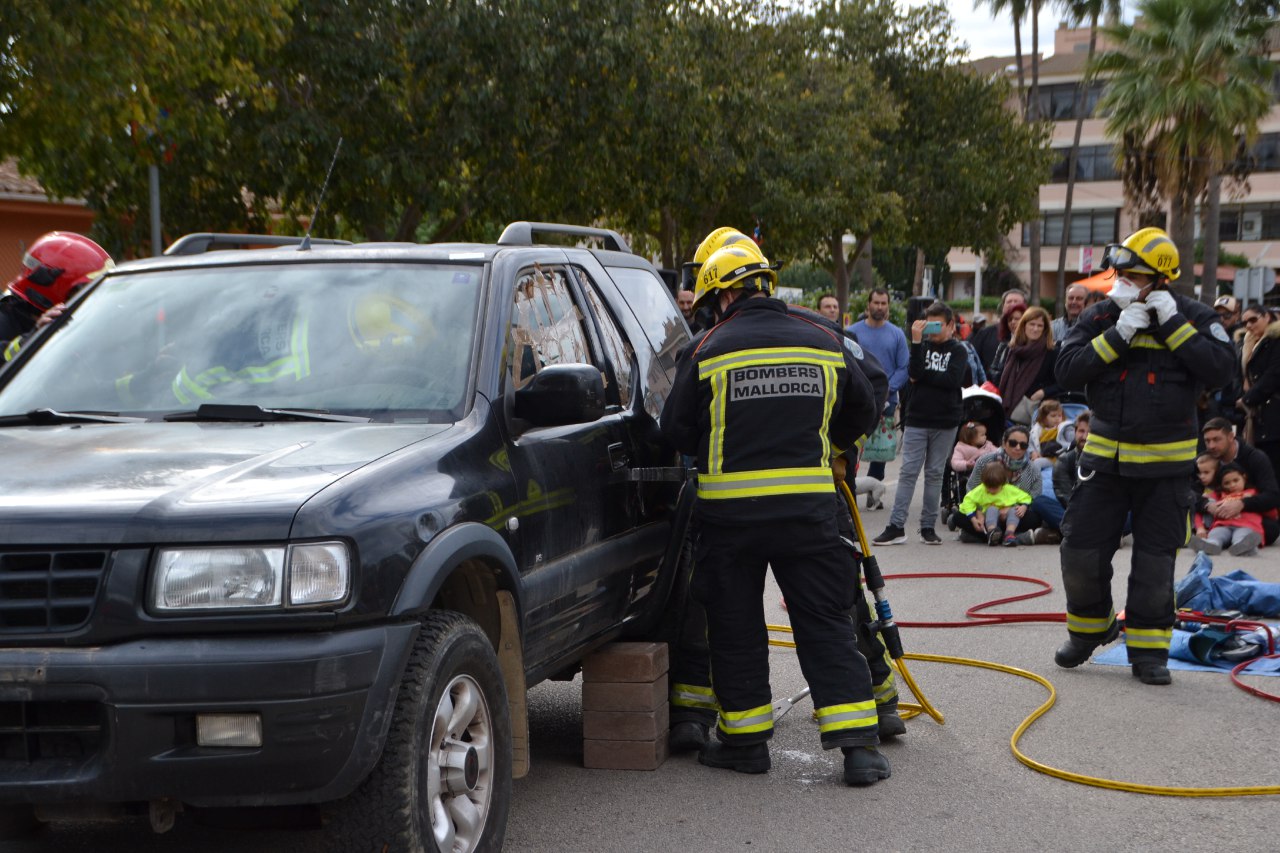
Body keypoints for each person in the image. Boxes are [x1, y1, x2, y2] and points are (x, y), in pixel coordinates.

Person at [660, 239, 892, 786]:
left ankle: (745, 744)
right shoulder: (822, 339)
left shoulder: (709, 347)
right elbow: (865, 405)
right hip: (808, 515)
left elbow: (673, 430)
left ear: (724, 294)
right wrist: (831, 443)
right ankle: (858, 748)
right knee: (825, 622)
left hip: (728, 521)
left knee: (735, 627)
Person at [1053, 227, 1234, 686]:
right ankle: (1089, 630)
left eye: (1134, 275)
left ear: (1161, 279)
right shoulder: (1100, 317)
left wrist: (1173, 326)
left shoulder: (1192, 315)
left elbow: (1221, 370)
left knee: (1155, 562)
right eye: (1121, 274)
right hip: (1105, 464)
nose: (1124, 283)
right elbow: (1068, 369)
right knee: (1080, 549)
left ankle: (1149, 651)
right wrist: (1119, 333)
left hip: (1166, 471)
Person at [874, 301, 969, 546]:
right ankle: (896, 526)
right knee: (908, 473)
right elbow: (913, 374)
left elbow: (952, 379)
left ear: (950, 325)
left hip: (946, 419)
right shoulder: (920, 346)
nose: (933, 329)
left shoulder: (958, 350)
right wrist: (916, 342)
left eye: (938, 324)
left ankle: (928, 526)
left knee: (935, 473)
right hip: (917, 418)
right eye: (929, 324)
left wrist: (925, 377)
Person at [1, 231, 113, 360]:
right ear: (52, 286)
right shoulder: (5, 322)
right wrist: (35, 338)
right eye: (84, 290)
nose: (93, 298)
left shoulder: (78, 325)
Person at [951, 425, 1061, 544]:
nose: (1018, 448)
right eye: (1013, 443)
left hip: (1015, 515)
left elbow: (1034, 498)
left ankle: (984, 536)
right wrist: (979, 512)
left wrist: (1011, 509)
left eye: (1023, 445)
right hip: (985, 511)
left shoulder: (1033, 469)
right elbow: (971, 490)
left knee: (1035, 518)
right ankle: (1015, 537)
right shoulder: (984, 461)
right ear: (1004, 443)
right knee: (958, 517)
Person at [849, 287, 910, 490]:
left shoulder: (897, 334)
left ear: (888, 307)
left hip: (887, 402)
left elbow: (903, 367)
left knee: (880, 451)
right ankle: (850, 489)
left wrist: (886, 389)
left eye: (884, 303)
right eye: (876, 303)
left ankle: (875, 490)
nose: (880, 307)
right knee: (851, 447)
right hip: (857, 399)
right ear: (868, 305)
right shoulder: (853, 332)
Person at [1199, 417, 1280, 545]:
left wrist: (1242, 504)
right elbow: (1188, 492)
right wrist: (1208, 505)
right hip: (1215, 516)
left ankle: (1234, 539)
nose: (1211, 446)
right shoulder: (1204, 460)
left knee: (1271, 529)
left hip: (1248, 515)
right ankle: (1218, 539)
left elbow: (1273, 496)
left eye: (1216, 440)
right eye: (1207, 441)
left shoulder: (1255, 458)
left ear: (1231, 436)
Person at [1236, 303, 1280, 477]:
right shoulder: (1248, 343)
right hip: (1257, 415)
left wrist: (1247, 399)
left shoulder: (1276, 340)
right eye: (1245, 322)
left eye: (1253, 320)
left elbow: (1274, 374)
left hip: (1273, 414)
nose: (1248, 325)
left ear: (1267, 317)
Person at [997, 306, 1061, 425]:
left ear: (1045, 329)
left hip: (1037, 415)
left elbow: (1062, 383)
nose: (1035, 329)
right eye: (1032, 324)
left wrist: (1043, 392)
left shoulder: (1052, 352)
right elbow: (1000, 378)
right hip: (1008, 414)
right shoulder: (1012, 350)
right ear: (1024, 325)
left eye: (1040, 325)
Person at [1191, 462, 1265, 556]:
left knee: (1242, 536)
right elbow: (1200, 512)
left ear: (1244, 477)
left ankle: (1244, 547)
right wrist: (1200, 528)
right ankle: (1210, 545)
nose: (1232, 485)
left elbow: (1267, 508)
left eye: (1235, 480)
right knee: (1216, 534)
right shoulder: (1217, 495)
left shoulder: (1253, 493)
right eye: (1227, 483)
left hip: (1245, 525)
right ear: (1221, 485)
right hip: (1222, 525)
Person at [956, 460, 1033, 547]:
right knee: (991, 509)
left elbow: (1026, 497)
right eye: (988, 487)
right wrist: (973, 518)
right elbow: (968, 501)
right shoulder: (980, 490)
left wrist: (1024, 506)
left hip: (1006, 519)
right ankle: (992, 533)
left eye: (995, 488)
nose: (991, 490)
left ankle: (1009, 534)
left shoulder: (1008, 489)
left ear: (1002, 483)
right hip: (988, 519)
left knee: (1014, 511)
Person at [972, 288, 1027, 376]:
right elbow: (973, 361)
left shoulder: (1032, 337)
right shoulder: (985, 333)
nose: (1012, 304)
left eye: (1016, 301)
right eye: (1009, 302)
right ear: (1002, 306)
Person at [1051, 411, 1091, 508]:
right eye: (1081, 431)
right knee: (1040, 502)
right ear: (1075, 432)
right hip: (1074, 512)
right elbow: (1065, 496)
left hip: (1101, 511)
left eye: (1090, 433)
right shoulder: (1065, 460)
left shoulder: (1106, 460)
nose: (1085, 437)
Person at [1029, 399, 1065, 468]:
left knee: (1037, 463)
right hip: (1040, 455)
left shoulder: (1063, 428)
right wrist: (1033, 452)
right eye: (1053, 416)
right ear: (1044, 418)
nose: (1057, 419)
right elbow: (1030, 443)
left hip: (1055, 459)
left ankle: (1036, 478)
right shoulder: (1037, 429)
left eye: (1059, 416)